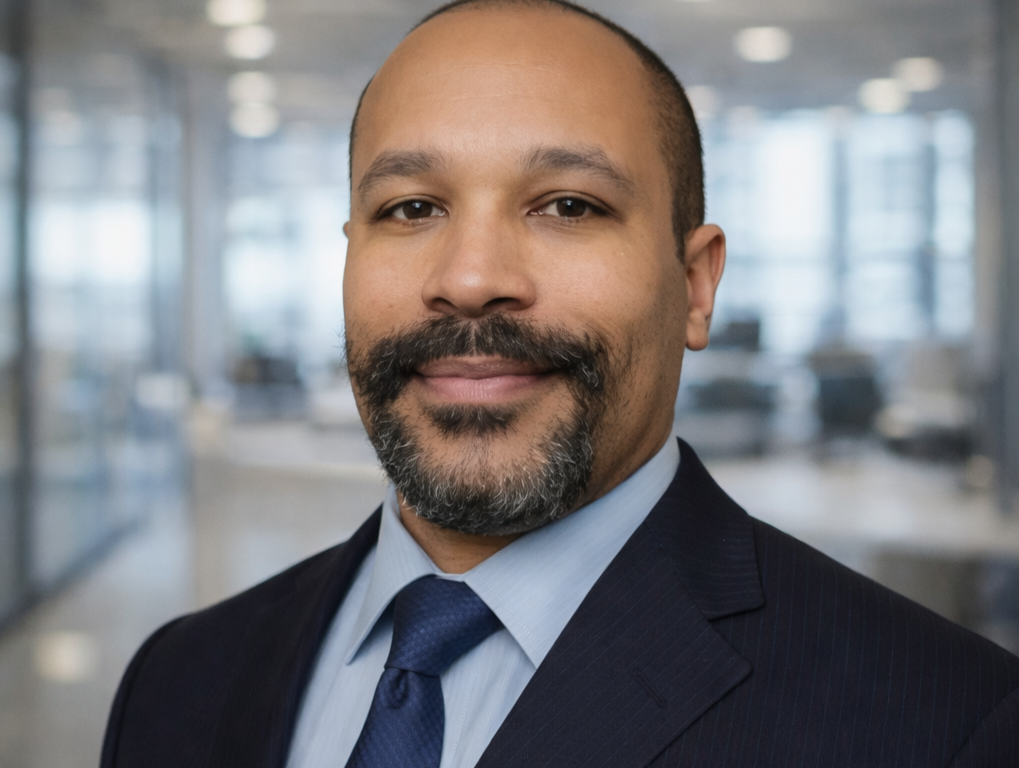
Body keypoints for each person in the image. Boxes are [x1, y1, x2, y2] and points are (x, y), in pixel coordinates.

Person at [101, 1, 1019, 766]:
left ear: (695, 284)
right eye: (411, 208)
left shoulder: (944, 726)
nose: (469, 277)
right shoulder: (181, 678)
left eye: (569, 206)